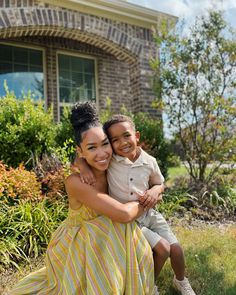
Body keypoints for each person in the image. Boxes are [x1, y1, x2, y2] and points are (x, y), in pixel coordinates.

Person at [10, 103, 155, 295]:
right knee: (109, 226)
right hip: (79, 242)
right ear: (80, 151)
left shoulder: (114, 164)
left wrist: (157, 188)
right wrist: (148, 199)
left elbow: (147, 169)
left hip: (108, 235)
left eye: (105, 144)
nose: (102, 153)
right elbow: (123, 214)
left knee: (111, 228)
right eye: (92, 148)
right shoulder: (76, 183)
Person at [75, 114, 196, 295]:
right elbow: (82, 157)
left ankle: (180, 281)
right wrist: (82, 167)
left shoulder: (149, 162)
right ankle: (148, 285)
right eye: (114, 140)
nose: (122, 142)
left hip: (150, 214)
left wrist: (155, 191)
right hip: (131, 222)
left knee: (176, 249)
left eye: (126, 135)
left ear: (136, 136)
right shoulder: (111, 160)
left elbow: (159, 183)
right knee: (162, 248)